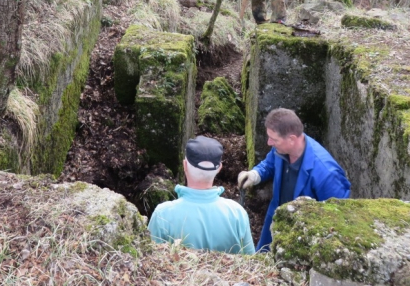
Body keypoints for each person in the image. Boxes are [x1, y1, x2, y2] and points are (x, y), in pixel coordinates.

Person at [238, 108, 350, 252]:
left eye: (274, 139)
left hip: (302, 237)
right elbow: (270, 163)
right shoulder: (281, 149)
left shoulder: (326, 174)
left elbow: (337, 217)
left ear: (291, 139)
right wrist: (256, 174)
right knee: (263, 260)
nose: (269, 142)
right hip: (276, 219)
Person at [148, 136, 255, 254]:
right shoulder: (237, 213)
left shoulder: (163, 214)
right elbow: (251, 260)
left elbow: (149, 258)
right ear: (219, 168)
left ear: (185, 166)